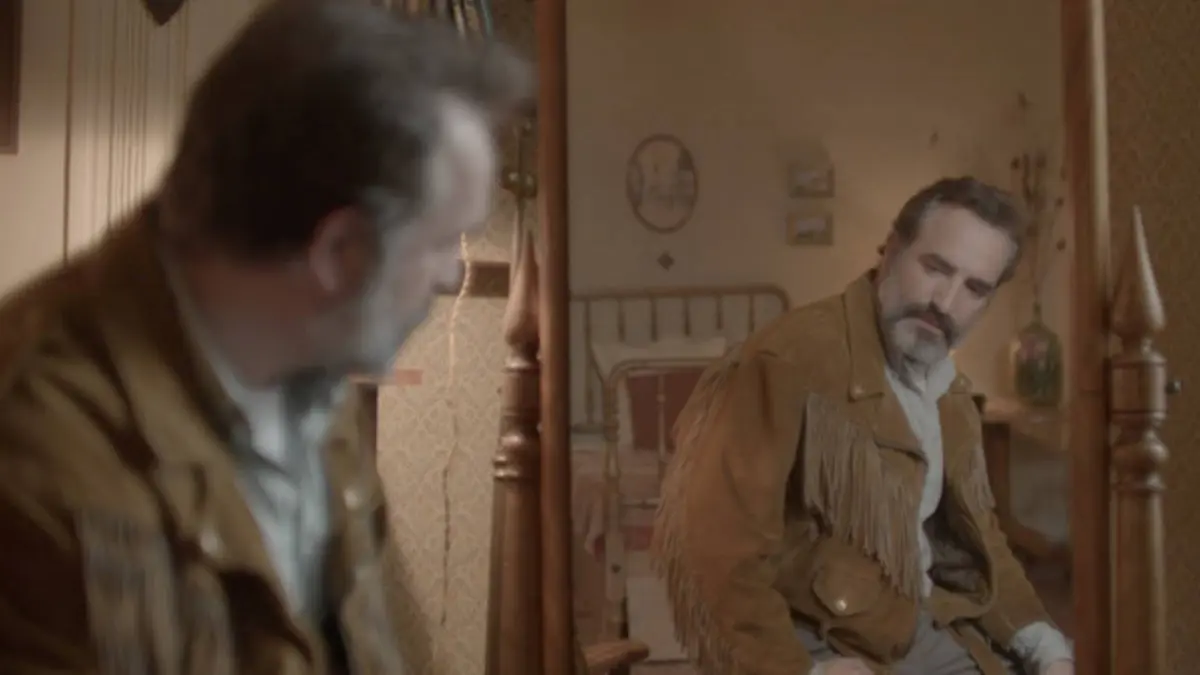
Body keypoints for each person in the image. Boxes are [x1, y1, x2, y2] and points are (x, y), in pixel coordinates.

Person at [0, 1, 530, 673]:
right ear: (337, 253)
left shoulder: (312, 378)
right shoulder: (36, 450)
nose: (453, 273)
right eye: (437, 242)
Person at [652, 177, 1073, 675]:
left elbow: (980, 539)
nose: (945, 302)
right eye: (936, 268)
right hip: (818, 641)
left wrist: (1046, 646)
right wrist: (804, 672)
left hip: (920, 623)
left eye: (974, 288)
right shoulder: (788, 361)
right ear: (892, 250)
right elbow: (721, 548)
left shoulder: (951, 393)